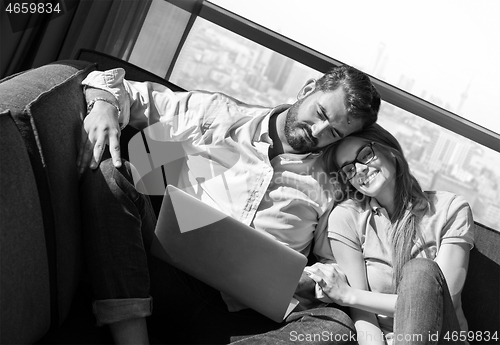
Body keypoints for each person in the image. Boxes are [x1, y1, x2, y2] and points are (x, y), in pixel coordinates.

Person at [78, 64, 380, 344]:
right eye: (321, 114)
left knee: (335, 325)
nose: (317, 132)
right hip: (167, 277)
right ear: (307, 90)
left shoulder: (330, 184)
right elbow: (120, 88)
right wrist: (102, 106)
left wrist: (306, 279)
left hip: (243, 320)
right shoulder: (220, 115)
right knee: (112, 175)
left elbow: (333, 266)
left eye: (334, 133)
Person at [307, 124, 474, 345]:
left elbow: (444, 301)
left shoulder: (451, 208)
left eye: (365, 155)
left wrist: (348, 295)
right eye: (349, 169)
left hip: (441, 338)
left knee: (420, 271)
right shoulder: (346, 217)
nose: (359, 170)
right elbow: (363, 314)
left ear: (390, 149)